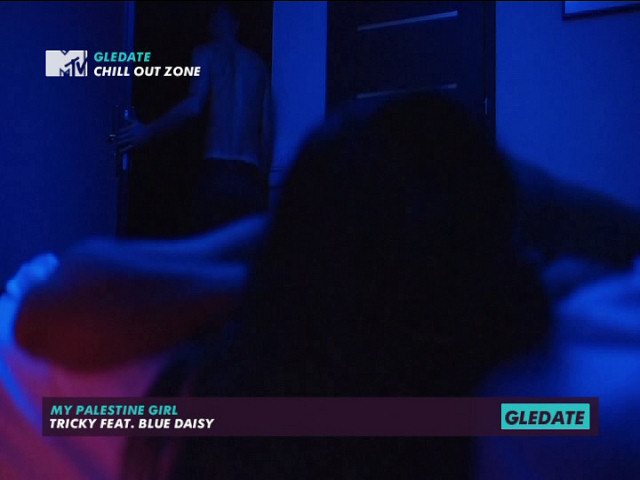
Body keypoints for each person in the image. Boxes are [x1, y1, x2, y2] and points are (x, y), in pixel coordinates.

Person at [121, 93, 551, 479]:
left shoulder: (204, 387)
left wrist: (291, 266)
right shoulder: (537, 402)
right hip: (247, 176)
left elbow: (194, 106)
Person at [117, 3, 274, 231]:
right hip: (249, 176)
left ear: (214, 25)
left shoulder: (206, 52)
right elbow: (267, 131)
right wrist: (261, 181)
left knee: (208, 248)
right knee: (245, 252)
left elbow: (194, 105)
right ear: (237, 26)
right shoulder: (259, 66)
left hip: (217, 172)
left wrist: (148, 131)